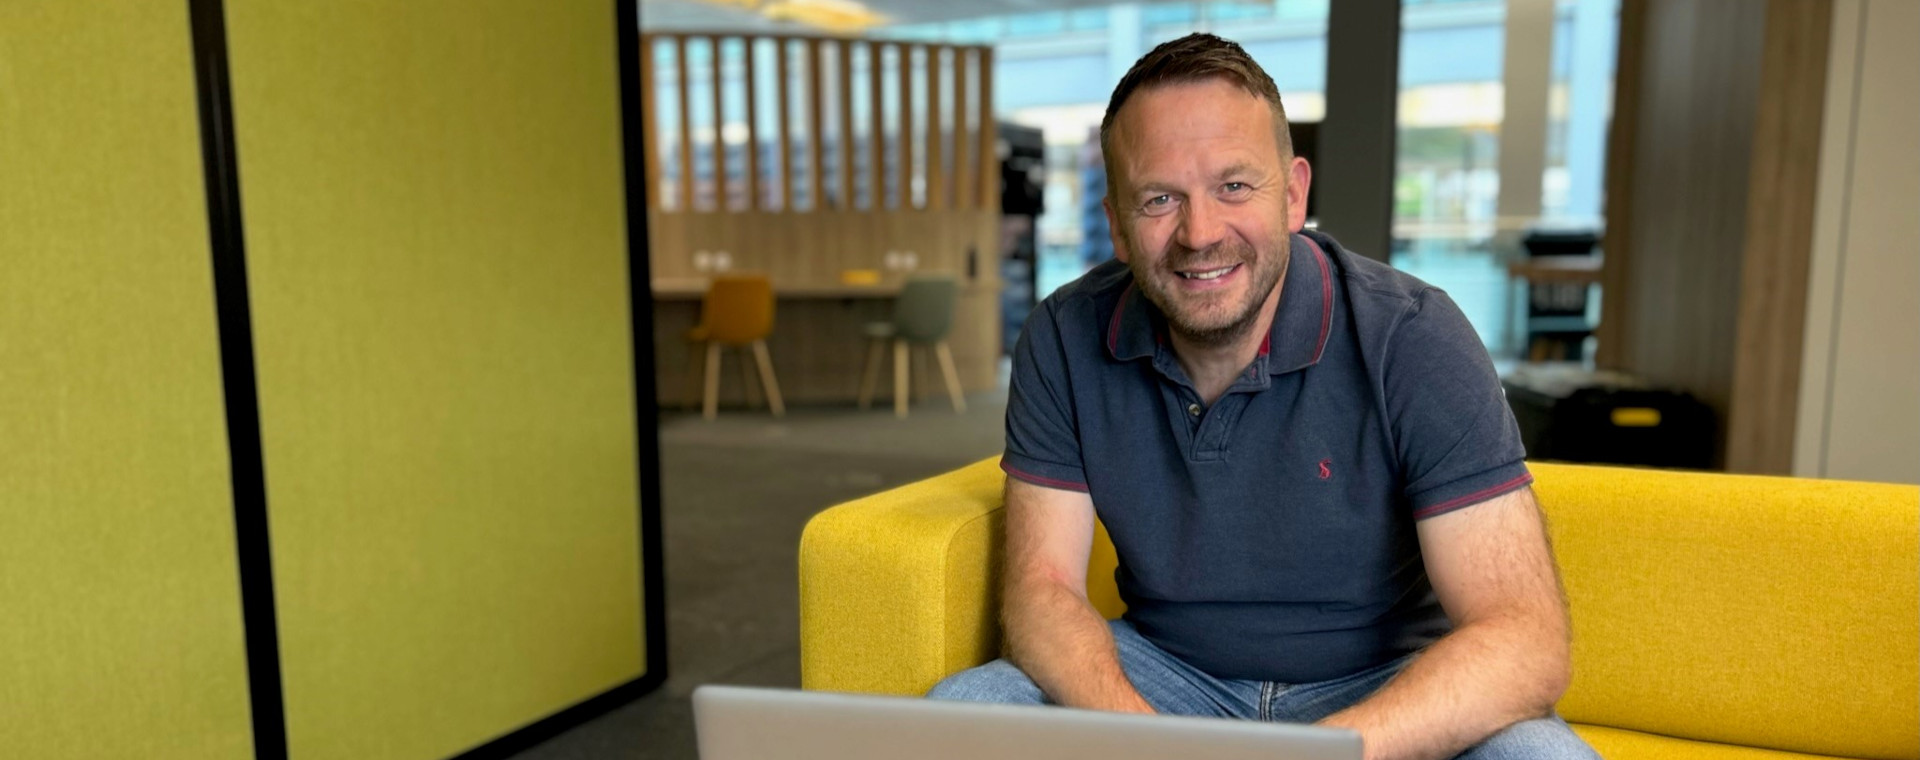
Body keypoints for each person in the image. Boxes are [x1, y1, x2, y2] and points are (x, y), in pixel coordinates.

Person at [928, 34, 1599, 760]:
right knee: (963, 714)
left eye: (1234, 186)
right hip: (1164, 675)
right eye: (1159, 199)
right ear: (1117, 222)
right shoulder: (1063, 336)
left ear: (1295, 194)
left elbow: (1524, 639)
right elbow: (1043, 594)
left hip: (1385, 685)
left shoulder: (1413, 335)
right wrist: (1143, 742)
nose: (1201, 234)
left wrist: (1325, 755)